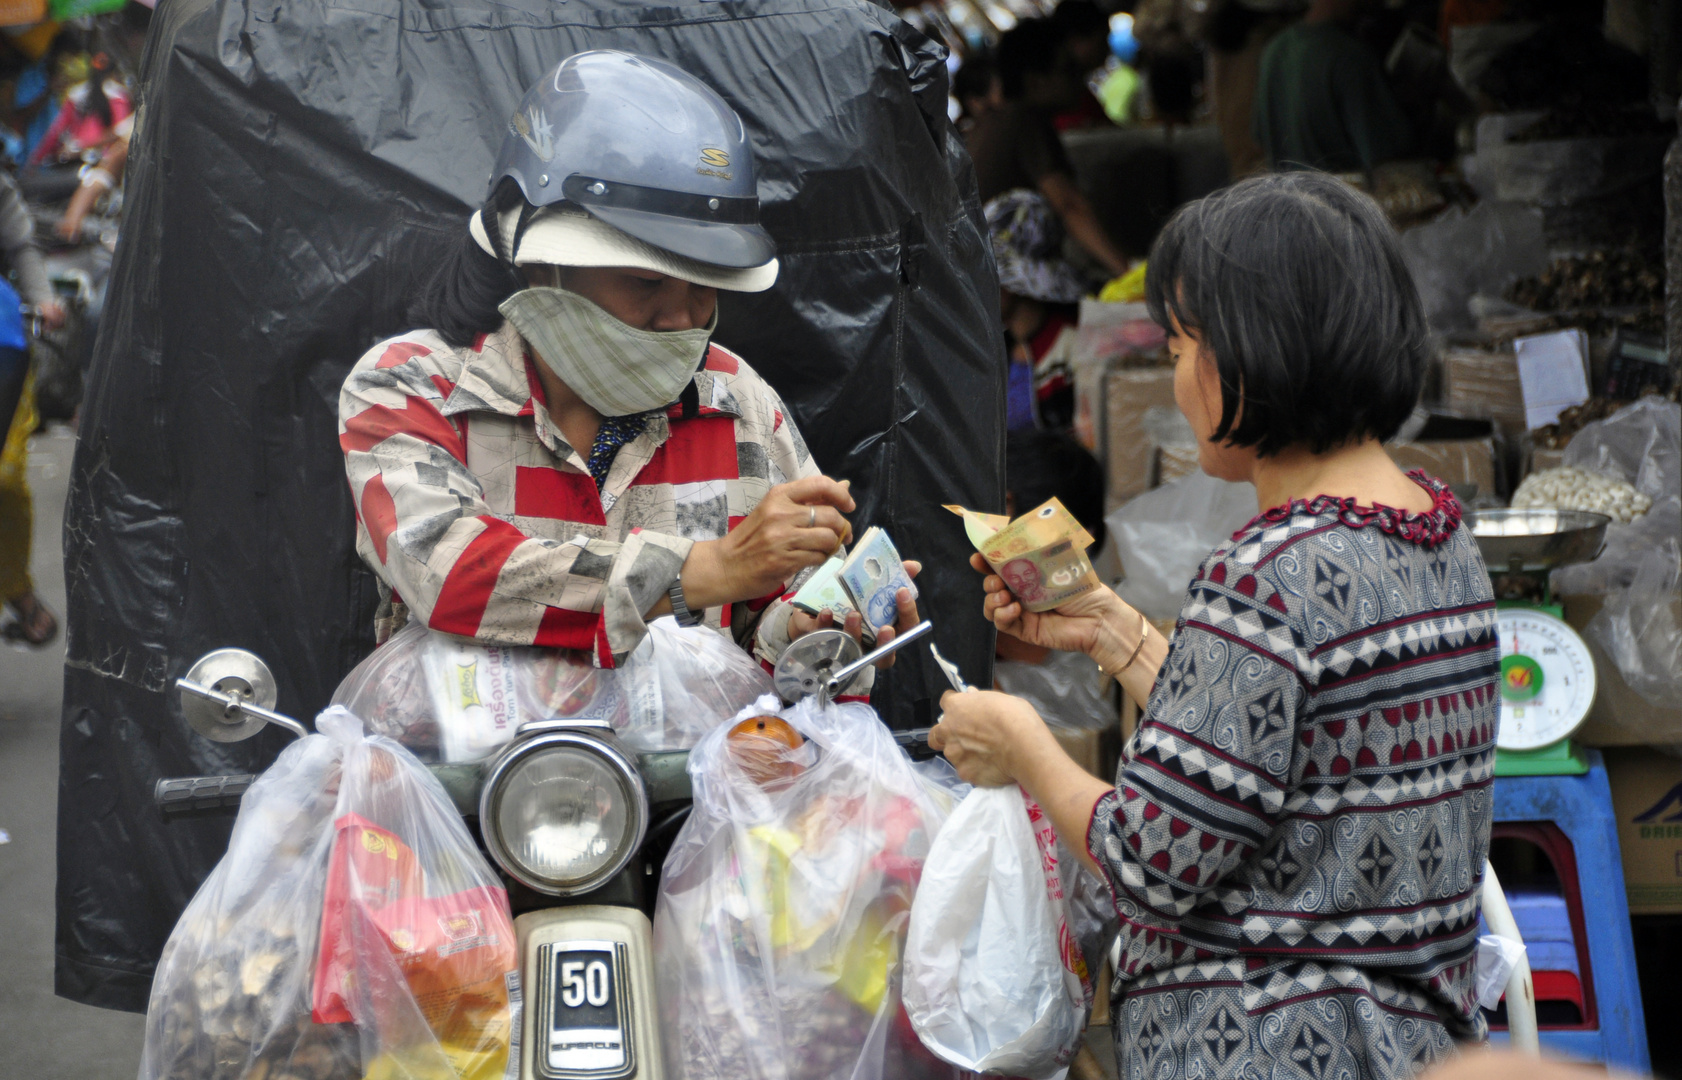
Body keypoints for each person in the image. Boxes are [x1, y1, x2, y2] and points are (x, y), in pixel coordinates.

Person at [931, 172, 1499, 1079]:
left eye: (1185, 342)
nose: (1176, 372)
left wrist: (1023, 746)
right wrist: (1115, 632)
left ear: (1260, 353)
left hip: (1270, 1052)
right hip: (1411, 1046)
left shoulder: (1267, 575)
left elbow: (1146, 863)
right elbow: (1282, 753)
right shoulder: (1435, 528)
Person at [339, 50, 918, 684]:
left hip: (688, 781)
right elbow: (451, 575)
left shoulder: (739, 403)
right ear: (539, 262)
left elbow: (768, 637)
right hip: (473, 779)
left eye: (705, 286)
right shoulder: (411, 388)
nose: (681, 318)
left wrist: (814, 631)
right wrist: (704, 570)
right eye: (645, 282)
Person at [965, 18, 1127, 278]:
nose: (1080, 78)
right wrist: (1127, 273)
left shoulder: (992, 122)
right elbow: (1069, 205)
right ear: (1035, 82)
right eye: (1068, 70)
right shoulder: (1025, 120)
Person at [0, 168, 66, 646]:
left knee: (4, 476)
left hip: (4, 345)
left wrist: (43, 298)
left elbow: (20, 242)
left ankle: (17, 590)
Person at [1252, 0, 1413, 172]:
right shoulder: (1350, 58)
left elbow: (1260, 136)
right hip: (1343, 196)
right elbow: (1388, 159)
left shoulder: (1274, 51)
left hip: (1288, 196)